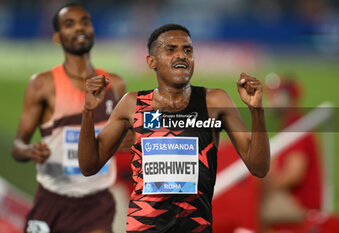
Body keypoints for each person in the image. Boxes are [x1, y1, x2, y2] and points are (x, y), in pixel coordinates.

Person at [78, 24, 271, 232]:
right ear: (152, 61)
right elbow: (89, 166)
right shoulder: (132, 104)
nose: (181, 55)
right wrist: (88, 112)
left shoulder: (214, 102)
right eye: (171, 50)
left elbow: (259, 168)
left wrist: (256, 111)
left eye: (187, 50)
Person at [11, 3, 129, 233]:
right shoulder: (42, 85)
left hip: (97, 205)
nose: (79, 28)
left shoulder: (115, 84)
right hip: (52, 202)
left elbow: (125, 137)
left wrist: (126, 140)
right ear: (57, 37)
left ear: (93, 30)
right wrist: (29, 151)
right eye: (69, 24)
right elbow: (18, 146)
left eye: (85, 22)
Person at [260, 74, 322, 232]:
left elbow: (294, 174)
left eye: (274, 96)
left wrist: (262, 190)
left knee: (252, 207)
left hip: (301, 206)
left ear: (285, 99)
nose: (270, 101)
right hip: (293, 200)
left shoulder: (297, 127)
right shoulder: (292, 126)